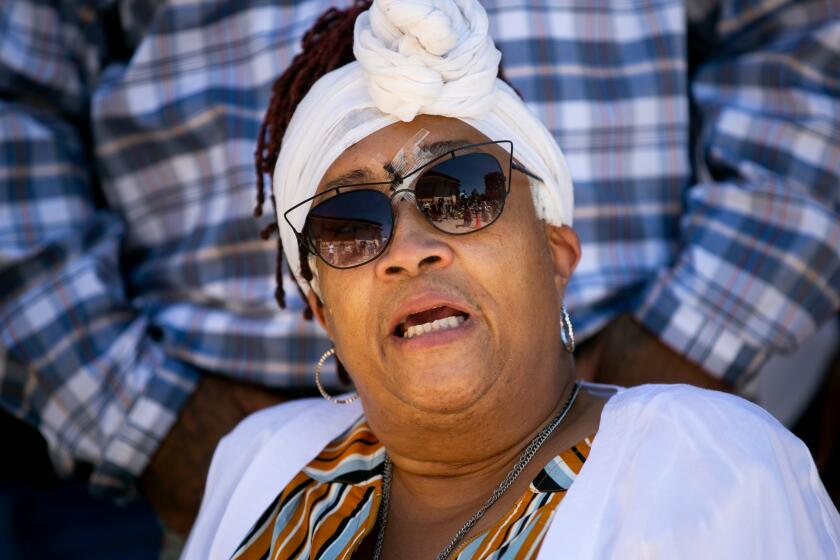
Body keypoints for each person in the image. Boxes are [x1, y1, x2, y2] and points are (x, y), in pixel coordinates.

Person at [1, 0, 838, 539]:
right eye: (349, 225)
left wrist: (692, 343)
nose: (409, 247)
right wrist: (142, 421)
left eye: (462, 191)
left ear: (557, 253)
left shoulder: (718, 472)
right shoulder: (254, 476)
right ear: (318, 310)